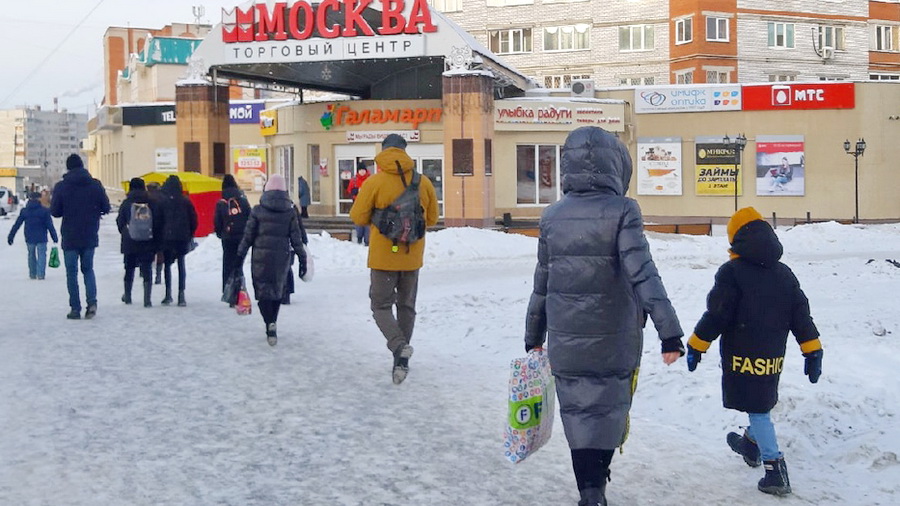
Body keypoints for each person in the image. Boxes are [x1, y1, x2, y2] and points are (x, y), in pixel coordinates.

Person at [523, 127, 684, 506]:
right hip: (615, 335)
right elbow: (643, 272)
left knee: (577, 412)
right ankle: (598, 484)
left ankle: (589, 491)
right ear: (617, 165)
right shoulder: (623, 210)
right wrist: (669, 332)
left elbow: (541, 283)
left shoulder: (553, 215)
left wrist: (533, 333)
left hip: (567, 335)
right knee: (609, 408)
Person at [686, 206, 822, 497]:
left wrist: (697, 344)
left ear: (736, 238)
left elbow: (717, 314)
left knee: (758, 408)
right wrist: (812, 350)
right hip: (771, 355)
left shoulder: (732, 272)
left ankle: (775, 468)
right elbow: (801, 314)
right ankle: (751, 444)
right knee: (759, 399)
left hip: (741, 352)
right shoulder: (784, 274)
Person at [349, 133, 439, 384]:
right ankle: (401, 361)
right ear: (405, 151)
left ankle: (399, 346)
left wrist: (381, 220)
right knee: (407, 307)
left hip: (382, 258)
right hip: (412, 256)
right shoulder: (423, 182)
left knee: (380, 306)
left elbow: (357, 217)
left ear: (384, 151)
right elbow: (431, 219)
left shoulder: (374, 182)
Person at [236, 174, 307, 346]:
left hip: (260, 257)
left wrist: (239, 256)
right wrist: (302, 258)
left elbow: (248, 236)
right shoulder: (290, 212)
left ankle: (268, 323)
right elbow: (296, 239)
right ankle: (273, 321)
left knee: (262, 293)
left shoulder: (257, 211)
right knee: (276, 291)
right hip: (281, 258)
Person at [50, 153, 111, 319]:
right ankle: (92, 303)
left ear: (68, 167)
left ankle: (75, 308)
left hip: (70, 235)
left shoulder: (62, 187)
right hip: (90, 233)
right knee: (88, 269)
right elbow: (106, 207)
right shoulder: (95, 185)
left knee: (72, 273)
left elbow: (55, 212)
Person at [116, 177, 163, 307]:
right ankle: (147, 299)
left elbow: (120, 222)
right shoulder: (152, 203)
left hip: (130, 241)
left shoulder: (126, 203)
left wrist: (126, 233)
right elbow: (158, 222)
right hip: (148, 241)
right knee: (147, 268)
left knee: (129, 268)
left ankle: (128, 296)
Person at [158, 175, 198, 306]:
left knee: (167, 265)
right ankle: (181, 295)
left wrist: (160, 234)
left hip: (167, 237)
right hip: (182, 237)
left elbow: (158, 220)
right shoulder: (185, 201)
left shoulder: (162, 201)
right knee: (181, 264)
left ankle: (168, 294)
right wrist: (189, 233)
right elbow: (194, 219)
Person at [214, 174, 251, 297]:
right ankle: (240, 290)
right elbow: (250, 218)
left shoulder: (221, 202)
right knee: (238, 264)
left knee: (228, 264)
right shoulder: (243, 200)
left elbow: (217, 221)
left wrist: (221, 234)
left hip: (227, 237)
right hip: (241, 237)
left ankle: (229, 292)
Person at [7, 191, 58, 280]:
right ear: (39, 199)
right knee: (42, 255)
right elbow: (50, 225)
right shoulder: (44, 211)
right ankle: (41, 274)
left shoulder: (25, 211)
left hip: (29, 236)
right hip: (42, 237)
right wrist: (54, 237)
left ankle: (32, 273)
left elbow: (17, 224)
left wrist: (11, 236)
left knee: (31, 255)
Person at [146, 181, 165, 284]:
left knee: (149, 252)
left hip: (149, 227)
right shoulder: (163, 198)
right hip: (161, 228)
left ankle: (146, 272)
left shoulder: (146, 199)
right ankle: (158, 274)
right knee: (160, 252)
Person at [347, 162, 370, 245]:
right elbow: (350, 191)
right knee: (359, 222)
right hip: (357, 203)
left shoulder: (370, 179)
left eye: (363, 170)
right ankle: (359, 237)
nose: (362, 172)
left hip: (368, 204)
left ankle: (367, 240)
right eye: (360, 170)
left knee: (367, 223)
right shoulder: (354, 180)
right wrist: (357, 190)